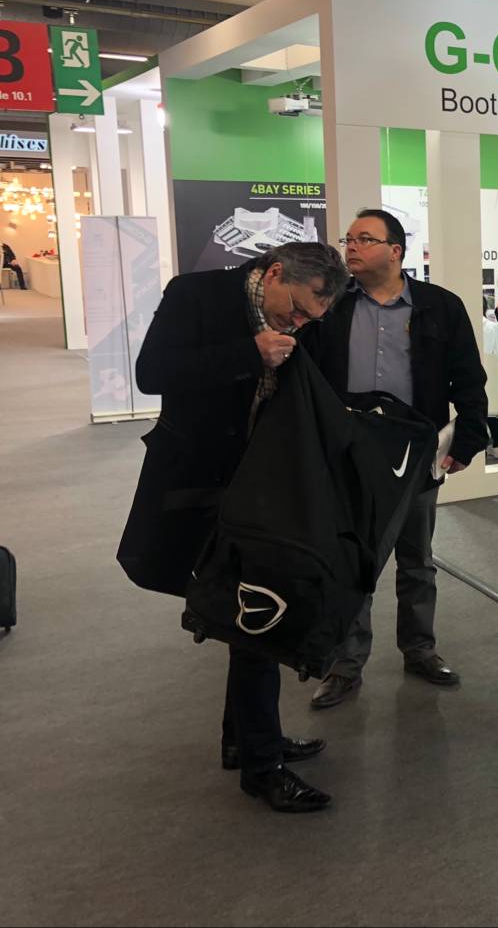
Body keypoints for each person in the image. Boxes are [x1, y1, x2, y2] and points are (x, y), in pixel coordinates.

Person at [124, 242, 346, 812]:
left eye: (310, 319)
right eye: (296, 310)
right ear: (273, 274)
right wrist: (249, 352)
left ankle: (243, 742)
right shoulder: (195, 295)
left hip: (261, 488)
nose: (299, 324)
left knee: (248, 616)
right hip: (197, 485)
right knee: (254, 621)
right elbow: (152, 373)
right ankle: (261, 765)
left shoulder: (301, 319)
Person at [305, 209, 489, 709]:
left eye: (365, 239)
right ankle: (345, 664)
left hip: (415, 452)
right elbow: (307, 377)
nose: (351, 247)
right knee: (350, 560)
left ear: (396, 251)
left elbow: (469, 379)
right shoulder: (332, 307)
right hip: (348, 452)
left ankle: (420, 649)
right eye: (349, 239)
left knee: (417, 561)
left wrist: (467, 441)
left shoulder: (440, 306)